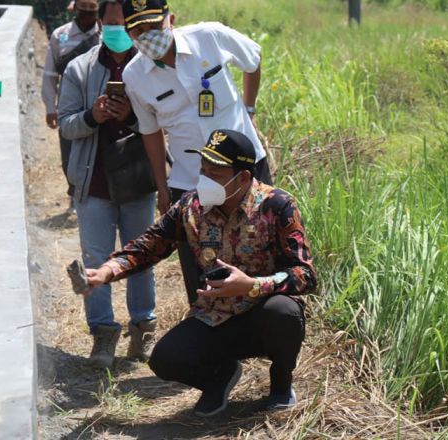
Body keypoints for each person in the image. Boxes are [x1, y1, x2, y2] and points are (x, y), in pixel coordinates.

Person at [84, 129, 317, 416]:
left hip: (263, 315)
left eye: (216, 173)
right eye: (203, 170)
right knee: (165, 360)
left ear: (243, 178)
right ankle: (219, 378)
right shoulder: (191, 208)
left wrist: (252, 285)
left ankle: (281, 383)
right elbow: (149, 246)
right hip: (215, 317)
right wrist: (107, 271)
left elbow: (304, 273)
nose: (205, 179)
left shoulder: (277, 206)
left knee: (284, 313)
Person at [121, 0, 272, 305]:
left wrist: (250, 110)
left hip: (246, 170)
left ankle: (265, 326)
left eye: (154, 25)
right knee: (202, 264)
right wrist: (162, 188)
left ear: (171, 19)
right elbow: (151, 133)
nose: (147, 34)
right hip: (191, 181)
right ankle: (213, 340)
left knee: (261, 251)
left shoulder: (209, 37)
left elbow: (253, 60)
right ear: (128, 33)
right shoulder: (135, 76)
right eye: (138, 28)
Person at [58, 0, 157, 369]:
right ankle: (102, 333)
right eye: (110, 22)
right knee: (95, 260)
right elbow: (66, 123)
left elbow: (161, 122)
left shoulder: (148, 67)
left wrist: (131, 118)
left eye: (123, 23)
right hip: (93, 180)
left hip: (137, 181)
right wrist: (92, 115)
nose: (117, 29)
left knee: (140, 259)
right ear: (99, 23)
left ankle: (143, 327)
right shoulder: (79, 69)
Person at [42, 0, 100, 214]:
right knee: (69, 153)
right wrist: (50, 106)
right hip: (69, 104)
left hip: (97, 103)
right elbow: (50, 74)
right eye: (83, 14)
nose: (86, 19)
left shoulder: (105, 35)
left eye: (91, 15)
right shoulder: (60, 35)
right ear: (75, 12)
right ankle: (73, 193)